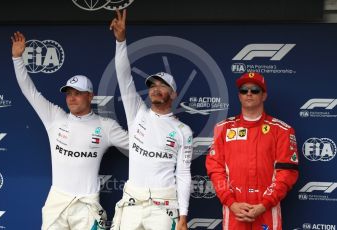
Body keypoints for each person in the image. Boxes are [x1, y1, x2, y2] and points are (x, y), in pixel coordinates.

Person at [11, 31, 129, 230]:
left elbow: (139, 145)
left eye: (78, 93)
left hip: (87, 206)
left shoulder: (105, 126)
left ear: (90, 96)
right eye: (68, 94)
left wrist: (161, 124)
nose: (71, 98)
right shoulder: (54, 117)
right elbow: (28, 91)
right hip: (57, 203)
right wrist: (17, 58)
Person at [109, 10, 193, 230]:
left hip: (163, 206)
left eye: (162, 86)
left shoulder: (183, 130)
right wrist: (120, 42)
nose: (156, 89)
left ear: (173, 94)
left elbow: (183, 174)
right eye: (152, 86)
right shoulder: (137, 112)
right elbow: (123, 76)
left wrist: (183, 216)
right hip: (132, 202)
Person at [206, 72, 299, 230]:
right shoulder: (223, 128)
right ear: (239, 96)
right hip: (234, 209)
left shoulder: (282, 130)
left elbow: (287, 173)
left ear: (264, 96)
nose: (249, 93)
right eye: (244, 90)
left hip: (266, 209)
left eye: (255, 90)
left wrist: (264, 204)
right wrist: (231, 203)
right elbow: (215, 170)